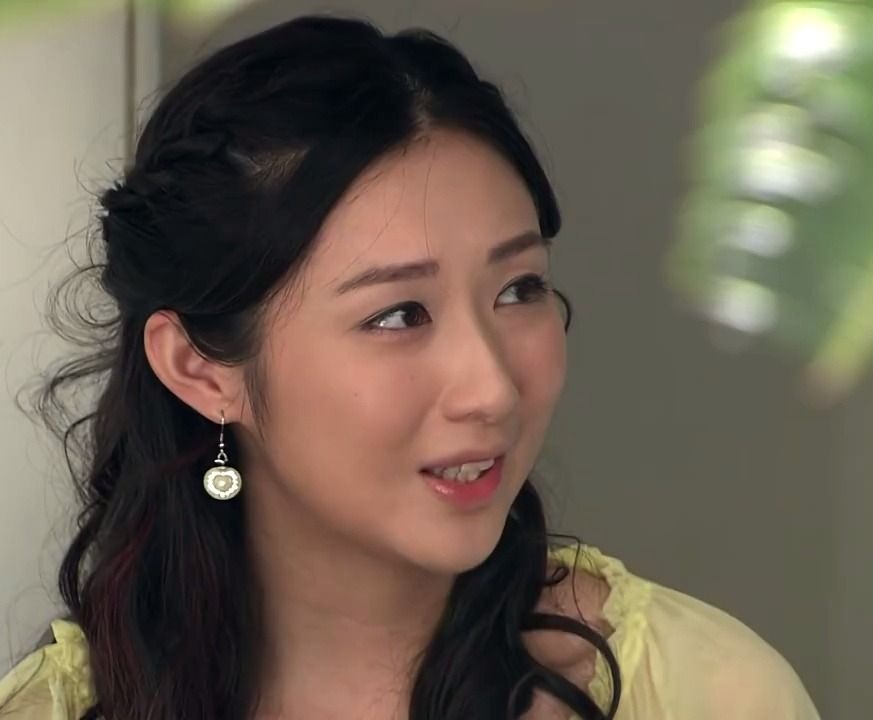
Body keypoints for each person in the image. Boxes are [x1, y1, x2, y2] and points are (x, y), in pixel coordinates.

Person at [0, 15, 818, 720]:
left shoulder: (705, 693)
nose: (492, 388)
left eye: (520, 289)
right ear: (202, 371)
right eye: (398, 315)